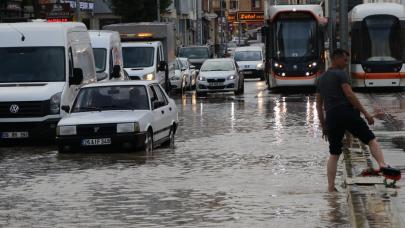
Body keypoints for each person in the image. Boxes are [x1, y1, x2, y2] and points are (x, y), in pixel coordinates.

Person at [316, 48, 394, 192]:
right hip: (346, 112)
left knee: (334, 153)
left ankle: (331, 188)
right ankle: (382, 164)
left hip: (332, 117)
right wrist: (366, 114)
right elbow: (350, 96)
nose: (346, 63)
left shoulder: (320, 79)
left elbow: (319, 106)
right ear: (336, 59)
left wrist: (323, 126)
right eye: (345, 60)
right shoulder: (341, 74)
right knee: (370, 139)